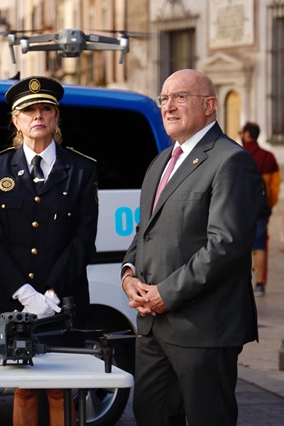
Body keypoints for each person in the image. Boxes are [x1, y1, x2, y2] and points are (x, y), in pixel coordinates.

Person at [121, 69, 262, 426]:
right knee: (150, 416)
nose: (168, 106)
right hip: (153, 327)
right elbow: (144, 231)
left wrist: (165, 294)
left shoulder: (230, 160)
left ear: (210, 106)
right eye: (164, 98)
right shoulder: (160, 162)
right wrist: (128, 274)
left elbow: (225, 245)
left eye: (180, 97)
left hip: (203, 329)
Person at [0, 76, 99, 426]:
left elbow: (84, 238)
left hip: (63, 299)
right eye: (29, 111)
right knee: (23, 389)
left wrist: (51, 293)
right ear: (16, 120)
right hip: (10, 297)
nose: (38, 116)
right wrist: (25, 293)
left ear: (56, 117)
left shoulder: (81, 169)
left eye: (46, 109)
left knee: (61, 389)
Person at [240, 121, 280, 297]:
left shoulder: (237, 154)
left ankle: (242, 282)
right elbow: (274, 187)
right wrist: (269, 204)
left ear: (248, 134)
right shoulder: (268, 157)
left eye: (242, 132)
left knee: (239, 244)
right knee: (260, 245)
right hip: (260, 209)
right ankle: (260, 284)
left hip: (239, 208)